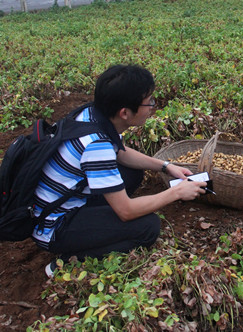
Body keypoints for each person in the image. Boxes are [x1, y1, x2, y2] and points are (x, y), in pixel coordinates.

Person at [32, 64, 207, 277]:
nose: (152, 106)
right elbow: (126, 212)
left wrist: (166, 166)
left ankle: (89, 227)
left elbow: (121, 153)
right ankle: (66, 262)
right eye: (148, 101)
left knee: (132, 173)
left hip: (57, 203)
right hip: (53, 226)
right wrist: (176, 192)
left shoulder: (92, 114)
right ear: (124, 112)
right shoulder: (97, 146)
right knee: (148, 227)